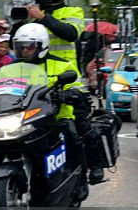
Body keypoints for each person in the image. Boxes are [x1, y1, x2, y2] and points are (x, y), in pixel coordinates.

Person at [10, 23, 107, 184]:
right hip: (26, 117)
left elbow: (77, 88)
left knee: (74, 136)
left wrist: (68, 93)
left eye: (29, 47)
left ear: (42, 46)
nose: (25, 51)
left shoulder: (62, 65)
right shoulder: (11, 68)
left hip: (58, 115)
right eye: (21, 47)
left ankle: (83, 177)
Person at [27, 0, 85, 74]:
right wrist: (19, 22)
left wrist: (43, 17)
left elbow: (71, 34)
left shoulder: (74, 11)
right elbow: (16, 46)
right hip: (38, 72)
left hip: (65, 71)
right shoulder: (35, 13)